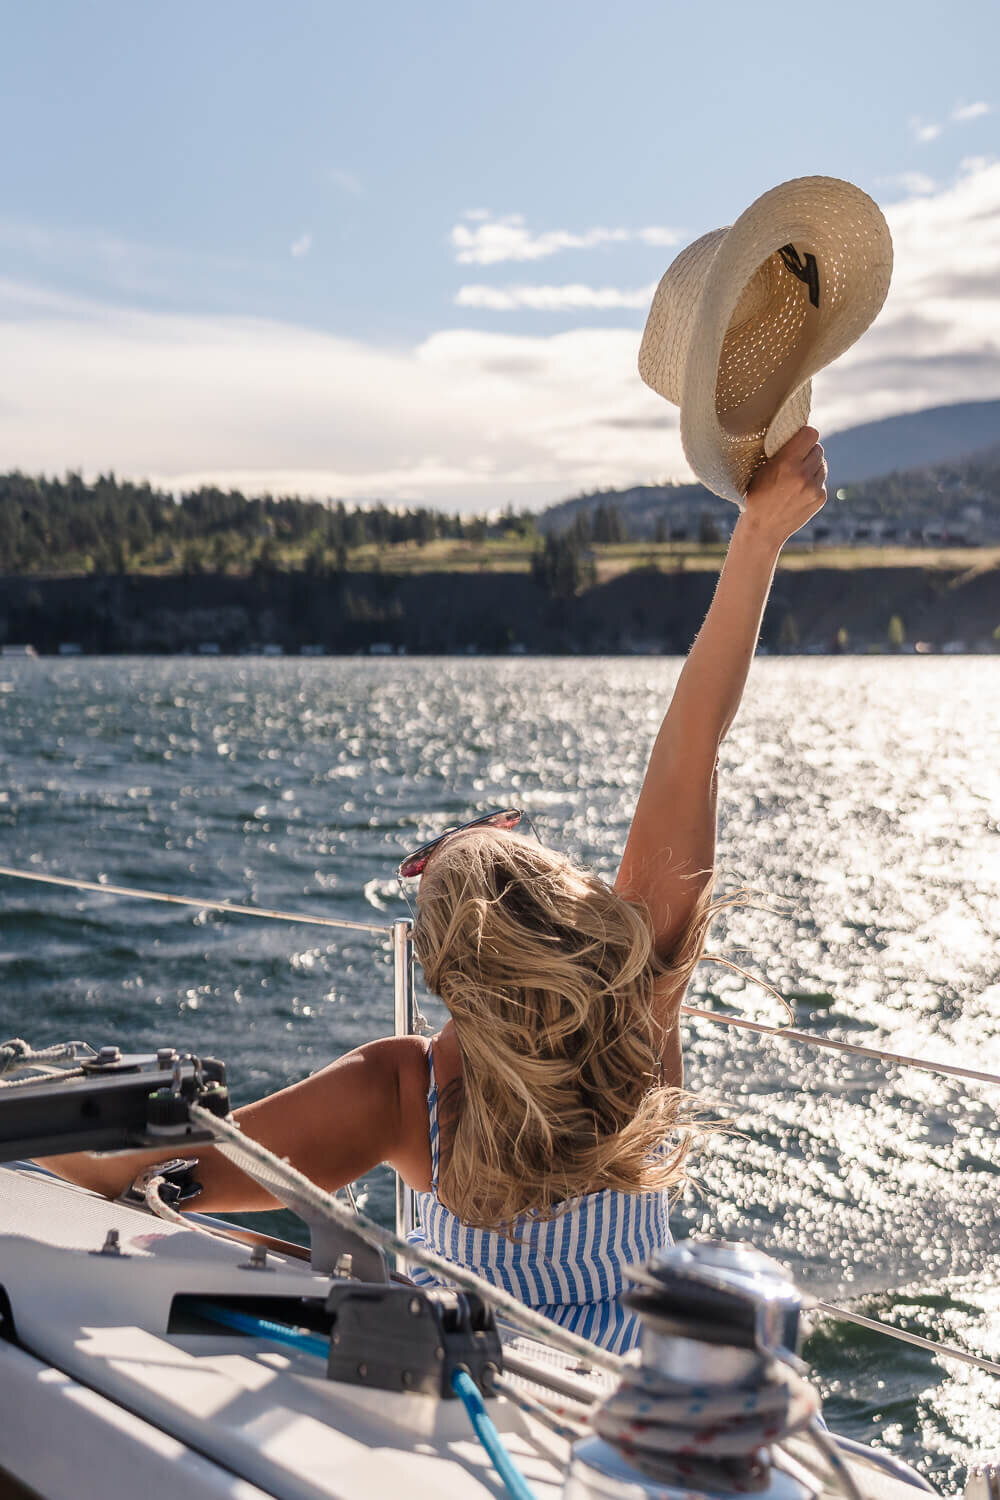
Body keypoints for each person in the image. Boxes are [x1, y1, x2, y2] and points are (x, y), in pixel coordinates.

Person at [39, 425, 828, 1352]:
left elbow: (159, 1172)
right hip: (623, 1387)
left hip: (478, 1392)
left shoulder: (406, 1088)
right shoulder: (638, 1007)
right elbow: (695, 739)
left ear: (449, 978)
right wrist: (759, 538)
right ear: (569, 904)